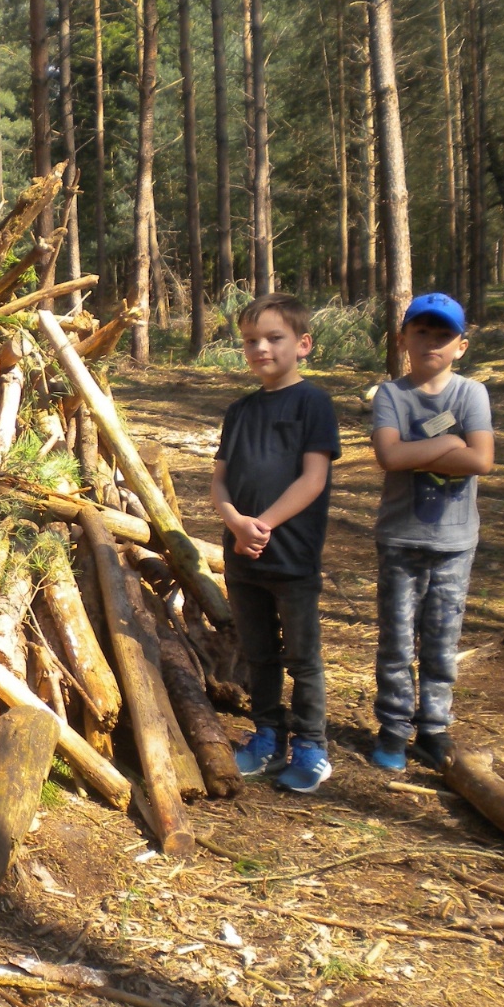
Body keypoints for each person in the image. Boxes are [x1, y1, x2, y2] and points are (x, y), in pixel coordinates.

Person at [210, 292, 340, 793]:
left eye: (273, 338)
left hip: (292, 557)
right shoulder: (239, 411)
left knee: (302, 657)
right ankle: (266, 735)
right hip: (242, 558)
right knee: (258, 652)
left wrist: (260, 525)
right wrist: (234, 523)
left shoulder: (313, 403)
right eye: (250, 340)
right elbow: (219, 481)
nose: (260, 348)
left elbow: (313, 479)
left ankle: (310, 745)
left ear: (303, 344)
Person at [367, 293, 494, 772]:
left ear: (461, 346)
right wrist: (450, 441)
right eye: (421, 332)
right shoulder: (391, 396)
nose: (431, 343)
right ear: (402, 339)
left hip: (454, 545)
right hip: (400, 539)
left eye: (443, 336)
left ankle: (434, 729)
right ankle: (393, 727)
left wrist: (418, 450)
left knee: (442, 641)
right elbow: (389, 457)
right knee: (397, 641)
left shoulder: (471, 394)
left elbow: (481, 459)